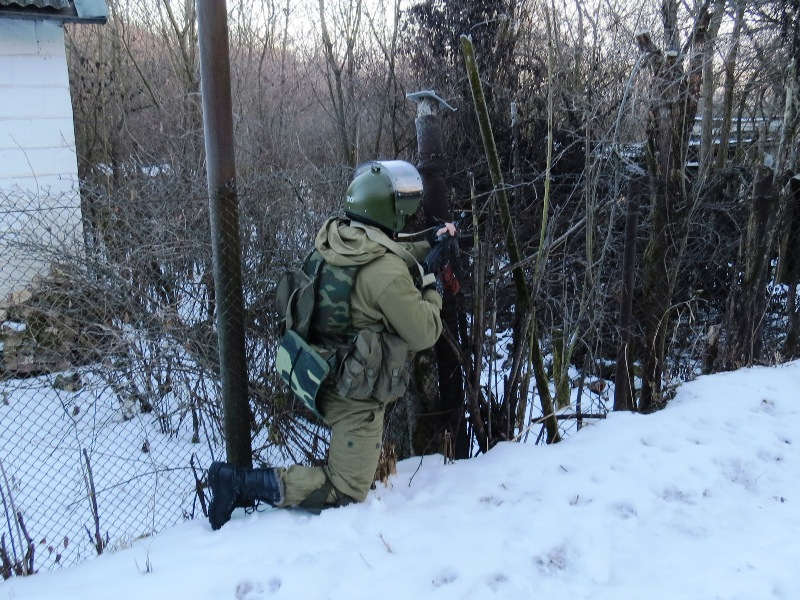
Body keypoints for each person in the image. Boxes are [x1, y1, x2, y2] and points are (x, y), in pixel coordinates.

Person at [207, 160, 455, 529]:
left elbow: (383, 254)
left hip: (313, 374)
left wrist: (427, 244)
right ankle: (239, 484)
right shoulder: (384, 273)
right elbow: (424, 331)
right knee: (346, 489)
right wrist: (432, 284)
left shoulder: (335, 238)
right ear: (388, 209)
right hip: (352, 397)